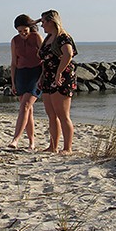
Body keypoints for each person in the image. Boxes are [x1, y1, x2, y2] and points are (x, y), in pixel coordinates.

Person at [38, 10, 78, 154]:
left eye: (43, 22)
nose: (42, 25)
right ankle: (53, 146)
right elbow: (45, 60)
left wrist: (59, 72)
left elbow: (68, 54)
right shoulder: (48, 37)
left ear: (51, 22)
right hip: (48, 77)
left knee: (62, 114)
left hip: (61, 78)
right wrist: (41, 76)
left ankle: (67, 148)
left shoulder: (63, 37)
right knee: (51, 114)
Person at [8, 14, 43, 149]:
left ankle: (15, 139)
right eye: (19, 31)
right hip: (21, 74)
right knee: (28, 110)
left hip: (36, 73)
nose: (23, 34)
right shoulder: (14, 41)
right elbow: (13, 62)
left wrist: (42, 77)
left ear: (30, 28)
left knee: (25, 105)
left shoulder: (37, 37)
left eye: (25, 31)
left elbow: (44, 58)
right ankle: (31, 142)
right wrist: (13, 82)